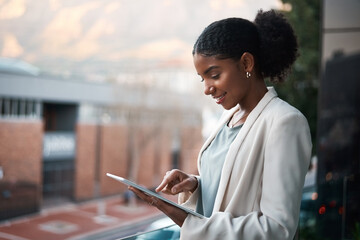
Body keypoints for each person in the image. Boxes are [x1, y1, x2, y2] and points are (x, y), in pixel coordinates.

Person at [129, 9, 312, 240]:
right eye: (202, 78)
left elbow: (277, 228)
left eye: (214, 75)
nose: (206, 88)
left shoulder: (285, 123)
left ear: (246, 63)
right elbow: (235, 188)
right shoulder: (229, 117)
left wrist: (184, 219)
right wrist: (195, 185)